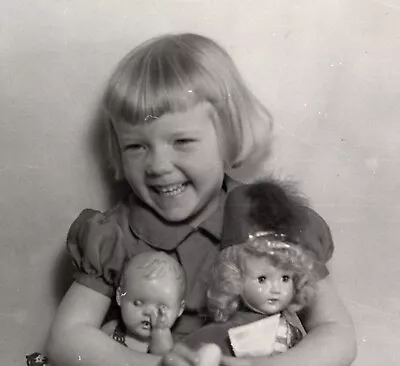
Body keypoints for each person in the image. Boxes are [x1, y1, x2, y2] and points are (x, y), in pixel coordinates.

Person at [46, 33, 356, 366]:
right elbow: (67, 338)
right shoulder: (116, 234)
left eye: (181, 141)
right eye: (136, 146)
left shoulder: (269, 217)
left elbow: (336, 333)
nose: (158, 166)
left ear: (228, 137)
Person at [183, 180, 319, 357]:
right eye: (262, 279)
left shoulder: (290, 328)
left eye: (285, 278)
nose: (276, 289)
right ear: (235, 279)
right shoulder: (223, 333)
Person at [101, 252, 186, 354]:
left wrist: (160, 332)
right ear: (120, 297)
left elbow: (163, 358)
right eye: (137, 303)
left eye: (161, 308)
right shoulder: (111, 330)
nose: (148, 312)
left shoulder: (169, 346)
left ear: (180, 309)